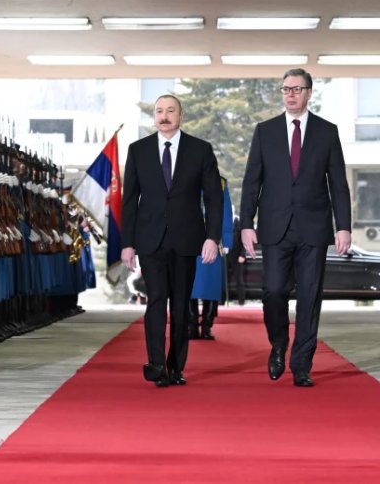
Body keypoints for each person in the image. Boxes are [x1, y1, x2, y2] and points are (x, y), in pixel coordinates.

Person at [240, 68, 351, 387]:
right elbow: (252, 182)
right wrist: (246, 225)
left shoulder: (327, 132)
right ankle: (278, 343)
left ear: (308, 93)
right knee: (273, 290)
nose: (290, 94)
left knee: (310, 295)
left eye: (296, 89)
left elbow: (338, 184)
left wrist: (343, 226)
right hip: (274, 227)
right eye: (285, 89)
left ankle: (302, 364)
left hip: (314, 228)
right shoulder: (265, 131)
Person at [121, 94, 223, 387]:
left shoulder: (200, 150)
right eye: (159, 111)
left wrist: (212, 238)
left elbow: (214, 199)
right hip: (150, 240)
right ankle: (156, 364)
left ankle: (176, 366)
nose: (164, 116)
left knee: (180, 305)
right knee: (156, 301)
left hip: (186, 239)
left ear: (181, 115)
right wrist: (127, 243)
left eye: (170, 111)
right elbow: (129, 202)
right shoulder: (138, 150)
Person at [189, 177, 234, 340]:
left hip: (213, 240)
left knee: (211, 287)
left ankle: (207, 326)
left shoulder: (219, 182)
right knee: (188, 285)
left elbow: (226, 211)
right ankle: (191, 326)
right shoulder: (184, 176)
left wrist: (227, 239)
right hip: (189, 239)